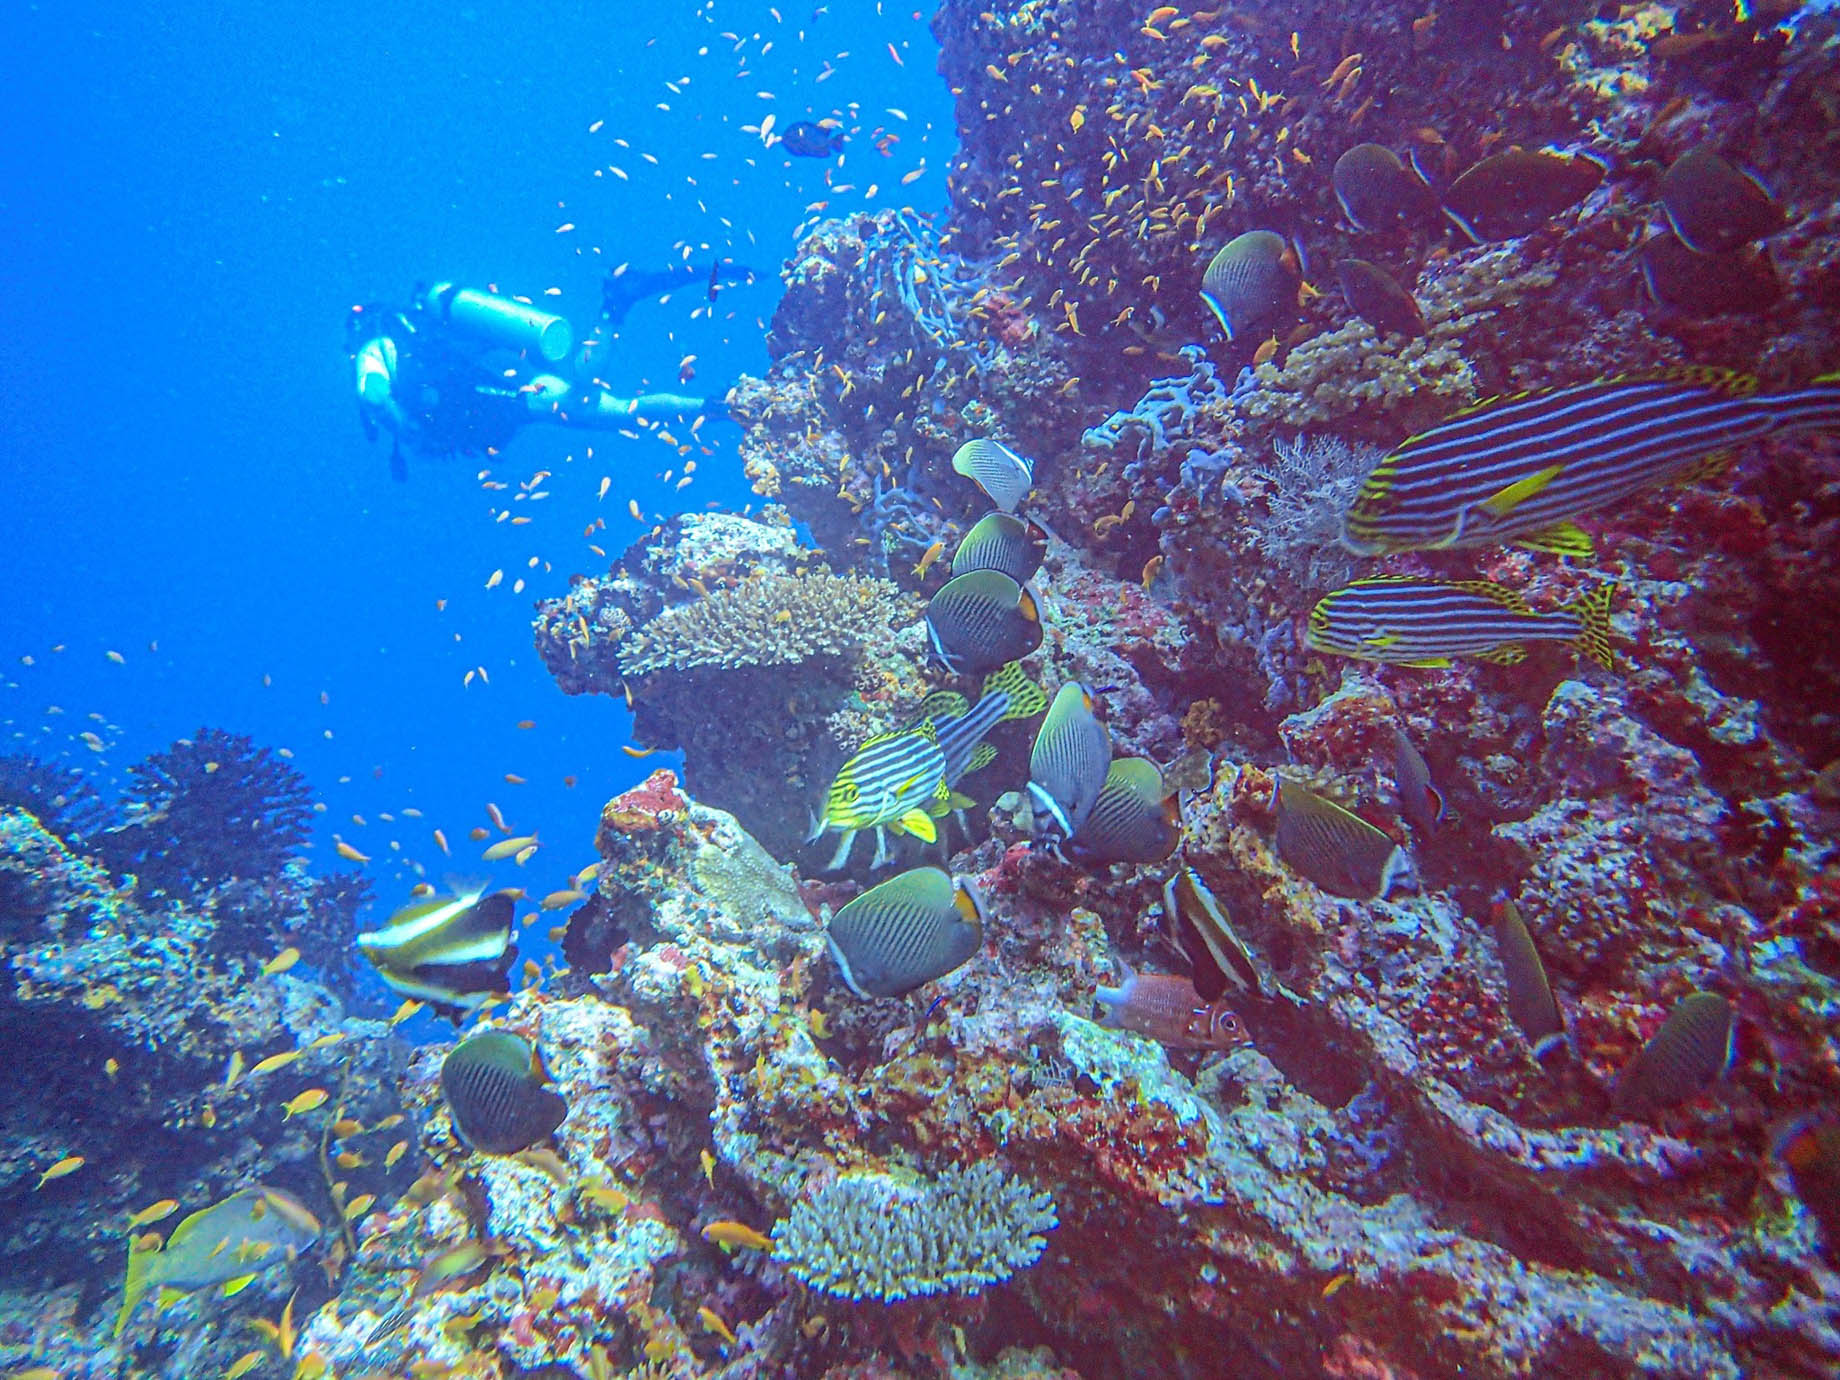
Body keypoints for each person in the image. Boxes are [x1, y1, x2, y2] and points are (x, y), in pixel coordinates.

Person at [348, 276, 736, 480]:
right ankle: (714, 406)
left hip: (498, 402)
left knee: (611, 411)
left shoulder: (373, 349)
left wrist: (405, 430)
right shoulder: (423, 334)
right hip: (509, 385)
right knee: (610, 407)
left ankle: (617, 305)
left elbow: (374, 393)